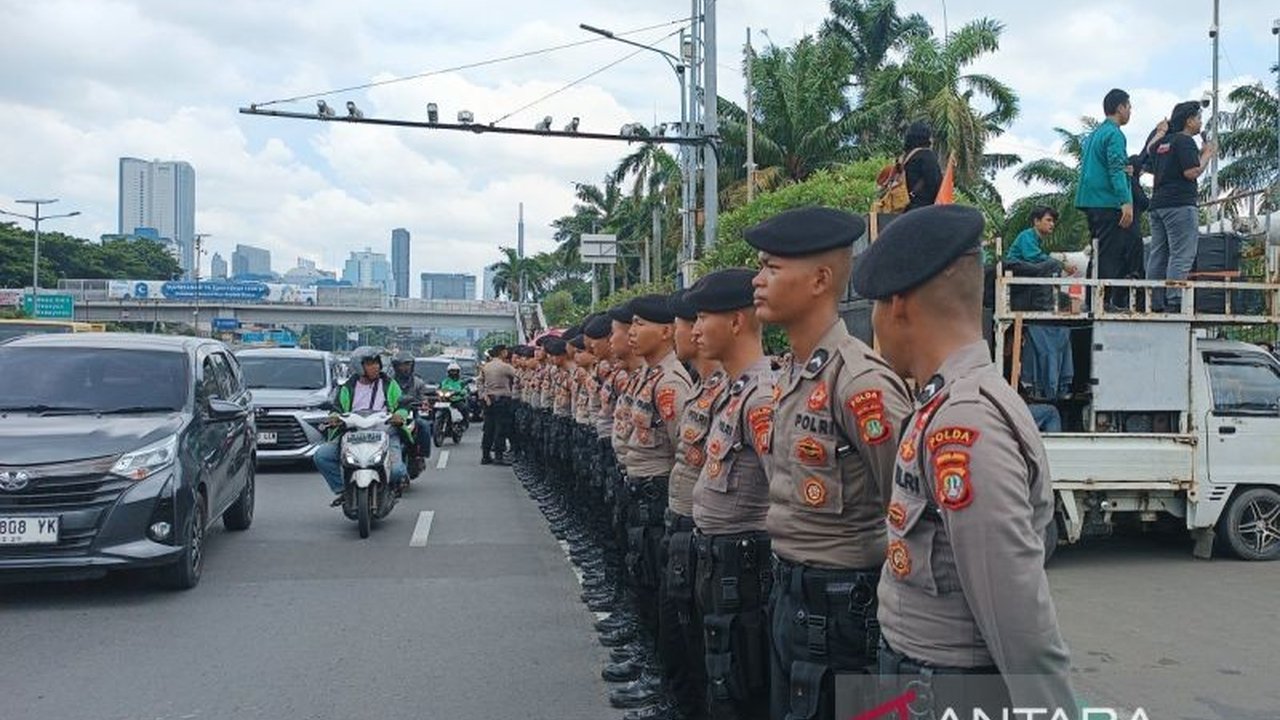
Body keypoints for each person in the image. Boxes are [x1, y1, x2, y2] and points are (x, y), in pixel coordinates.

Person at [852, 205, 1075, 717]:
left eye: (876, 306)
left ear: (898, 306)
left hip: (948, 689)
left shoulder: (966, 421)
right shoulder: (942, 401)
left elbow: (1017, 614)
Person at [747, 207, 914, 720]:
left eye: (772, 267)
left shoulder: (860, 382)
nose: (757, 280)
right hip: (792, 591)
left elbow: (909, 508)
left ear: (820, 280)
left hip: (842, 605)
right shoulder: (792, 375)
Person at [686, 269, 775, 720]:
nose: (695, 329)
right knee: (720, 672)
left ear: (737, 322)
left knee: (739, 683)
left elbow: (784, 490)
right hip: (719, 559)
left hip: (743, 563)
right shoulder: (733, 390)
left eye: (704, 317)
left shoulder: (761, 398)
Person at [314, 346, 410, 506]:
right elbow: (336, 409)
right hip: (352, 434)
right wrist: (334, 418)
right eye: (370, 363)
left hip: (384, 432)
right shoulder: (347, 387)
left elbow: (402, 405)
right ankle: (343, 490)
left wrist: (399, 415)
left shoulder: (390, 384)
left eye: (377, 362)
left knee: (396, 471)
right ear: (359, 366)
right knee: (322, 456)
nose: (376, 367)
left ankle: (392, 489)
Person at [1148, 100, 1217, 314]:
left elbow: (1150, 150)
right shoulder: (1185, 141)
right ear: (1189, 121)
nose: (1200, 123)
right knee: (1181, 254)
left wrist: (1161, 132)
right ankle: (1175, 299)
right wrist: (1207, 154)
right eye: (1198, 118)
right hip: (1179, 204)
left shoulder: (1162, 143)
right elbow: (1191, 172)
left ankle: (1154, 299)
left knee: (1158, 254)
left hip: (1158, 204)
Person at [1075, 88, 1135, 310]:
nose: (1130, 111)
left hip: (1090, 200)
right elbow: (1115, 167)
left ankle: (1093, 301)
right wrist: (1125, 201)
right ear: (1120, 107)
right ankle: (1103, 301)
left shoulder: (1094, 135)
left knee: (1098, 251)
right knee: (1110, 253)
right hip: (1107, 201)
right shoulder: (1114, 134)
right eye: (1129, 107)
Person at [391, 350, 432, 460]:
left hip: (412, 414)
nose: (405, 368)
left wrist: (424, 404)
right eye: (401, 365)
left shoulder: (418, 382)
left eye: (407, 364)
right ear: (395, 366)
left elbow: (423, 397)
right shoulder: (389, 382)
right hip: (392, 415)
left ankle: (421, 455)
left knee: (424, 425)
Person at [481, 344, 517, 465]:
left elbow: (479, 381)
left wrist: (483, 395)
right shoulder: (505, 367)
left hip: (489, 399)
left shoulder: (486, 366)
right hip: (502, 399)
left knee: (488, 428)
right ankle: (498, 456)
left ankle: (485, 455)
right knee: (500, 428)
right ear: (502, 353)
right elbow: (518, 376)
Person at [903, 121, 942, 212]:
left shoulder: (905, 157)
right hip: (923, 210)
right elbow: (935, 183)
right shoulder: (927, 156)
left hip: (905, 208)